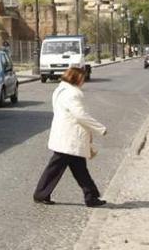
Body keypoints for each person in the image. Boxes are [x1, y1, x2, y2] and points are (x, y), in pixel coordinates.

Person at [33, 66, 107, 207]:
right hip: (70, 137)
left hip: (65, 135)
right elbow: (80, 115)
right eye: (82, 78)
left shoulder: (60, 90)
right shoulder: (72, 94)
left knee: (79, 170)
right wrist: (100, 128)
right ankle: (40, 194)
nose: (84, 81)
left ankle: (91, 197)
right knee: (56, 169)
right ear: (76, 78)